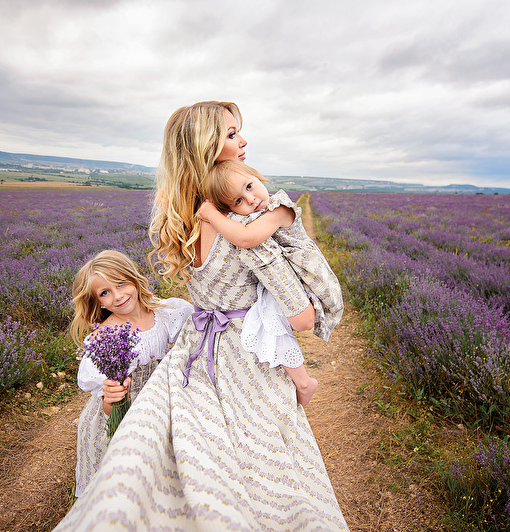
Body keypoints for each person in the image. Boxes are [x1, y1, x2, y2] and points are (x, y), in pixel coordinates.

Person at [54, 101, 349, 531]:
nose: (243, 140)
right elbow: (302, 318)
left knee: (195, 458)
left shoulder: (182, 218)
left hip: (196, 350)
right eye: (231, 133)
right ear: (203, 146)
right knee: (273, 467)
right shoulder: (242, 225)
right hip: (246, 357)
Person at [198, 159, 344, 406]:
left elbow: (245, 238)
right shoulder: (257, 214)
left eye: (249, 186)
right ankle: (299, 380)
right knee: (267, 319)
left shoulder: (279, 208)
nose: (251, 199)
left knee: (273, 318)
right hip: (286, 275)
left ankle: (303, 382)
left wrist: (211, 214)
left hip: (306, 277)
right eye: (238, 201)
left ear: (258, 176)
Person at [69, 250, 193, 497]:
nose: (118, 296)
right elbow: (109, 408)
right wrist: (112, 397)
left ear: (134, 279)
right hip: (124, 414)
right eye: (104, 293)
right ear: (98, 302)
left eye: (121, 284)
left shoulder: (165, 312)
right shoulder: (105, 337)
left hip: (160, 405)